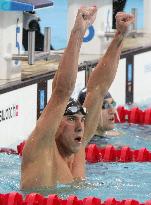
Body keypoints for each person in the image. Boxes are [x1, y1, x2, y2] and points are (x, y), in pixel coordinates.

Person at [21, 7, 134, 190]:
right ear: (55, 123)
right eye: (72, 119)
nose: (80, 126)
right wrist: (78, 32)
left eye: (81, 119)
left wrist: (120, 35)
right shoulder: (42, 147)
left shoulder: (78, 146)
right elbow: (61, 92)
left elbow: (98, 88)